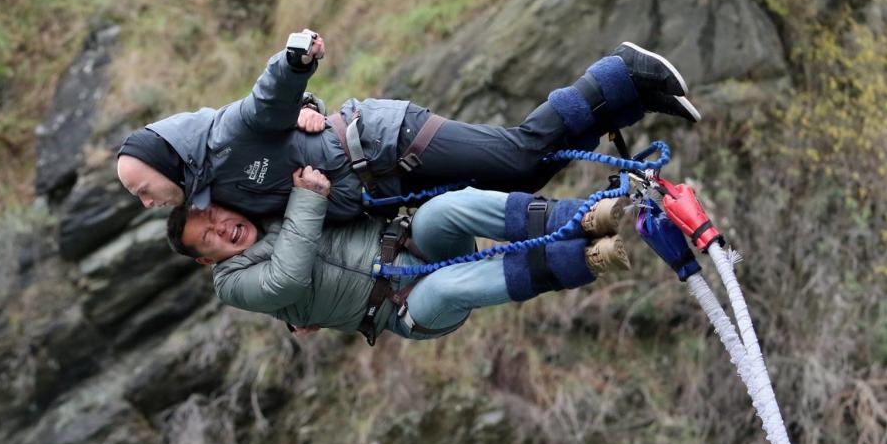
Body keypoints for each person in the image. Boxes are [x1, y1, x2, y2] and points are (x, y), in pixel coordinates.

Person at [117, 29, 699, 222]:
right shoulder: (217, 195)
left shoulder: (225, 142)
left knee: (522, 157)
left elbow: (263, 104)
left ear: (171, 159)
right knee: (526, 179)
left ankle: (617, 72)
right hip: (389, 181)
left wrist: (295, 61)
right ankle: (629, 98)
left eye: (143, 189)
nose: (146, 203)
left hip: (386, 140)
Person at [165, 164, 633, 343]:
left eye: (213, 217)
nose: (221, 228)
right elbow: (285, 278)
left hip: (412, 241)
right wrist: (307, 199)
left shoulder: (267, 202)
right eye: (207, 238)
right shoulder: (230, 285)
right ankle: (590, 259)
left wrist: (309, 108)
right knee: (451, 285)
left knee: (443, 209)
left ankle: (589, 216)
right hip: (404, 310)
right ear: (207, 260)